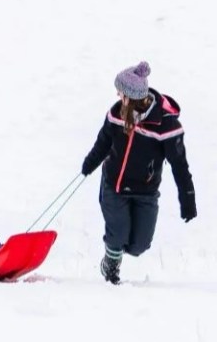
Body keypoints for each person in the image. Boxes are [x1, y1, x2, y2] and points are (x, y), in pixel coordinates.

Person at [80, 61, 196, 284]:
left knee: (139, 245)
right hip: (114, 185)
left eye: (120, 92)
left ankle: (120, 252)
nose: (117, 95)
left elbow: (180, 165)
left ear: (132, 98)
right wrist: (89, 165)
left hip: (146, 191)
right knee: (118, 235)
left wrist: (188, 200)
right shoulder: (116, 113)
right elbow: (103, 143)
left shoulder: (165, 126)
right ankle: (110, 268)